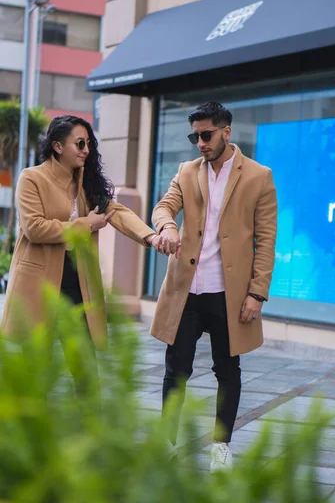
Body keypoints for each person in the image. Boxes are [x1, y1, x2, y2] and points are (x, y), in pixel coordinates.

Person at [150, 101, 277, 472]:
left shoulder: (258, 176)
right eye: (195, 136)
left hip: (229, 293)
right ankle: (167, 442)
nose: (200, 143)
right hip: (186, 289)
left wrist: (257, 293)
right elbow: (164, 206)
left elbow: (266, 240)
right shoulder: (187, 171)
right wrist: (167, 226)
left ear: (226, 131)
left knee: (228, 370)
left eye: (206, 135)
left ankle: (220, 448)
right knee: (176, 370)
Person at [1, 115, 163, 394]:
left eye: (88, 143)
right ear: (57, 146)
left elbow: (118, 213)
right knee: (34, 367)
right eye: (79, 143)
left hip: (79, 284)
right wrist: (86, 224)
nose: (86, 149)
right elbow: (34, 228)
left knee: (85, 368)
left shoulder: (87, 184)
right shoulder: (32, 178)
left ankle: (90, 429)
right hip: (39, 285)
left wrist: (151, 236)